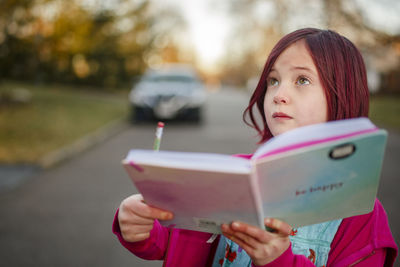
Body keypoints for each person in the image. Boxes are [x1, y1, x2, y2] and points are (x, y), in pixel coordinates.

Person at [112, 28, 398, 266]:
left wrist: (279, 260)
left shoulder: (363, 217)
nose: (278, 94)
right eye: (273, 80)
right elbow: (182, 242)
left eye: (302, 80)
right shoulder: (235, 175)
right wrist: (143, 229)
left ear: (343, 94)